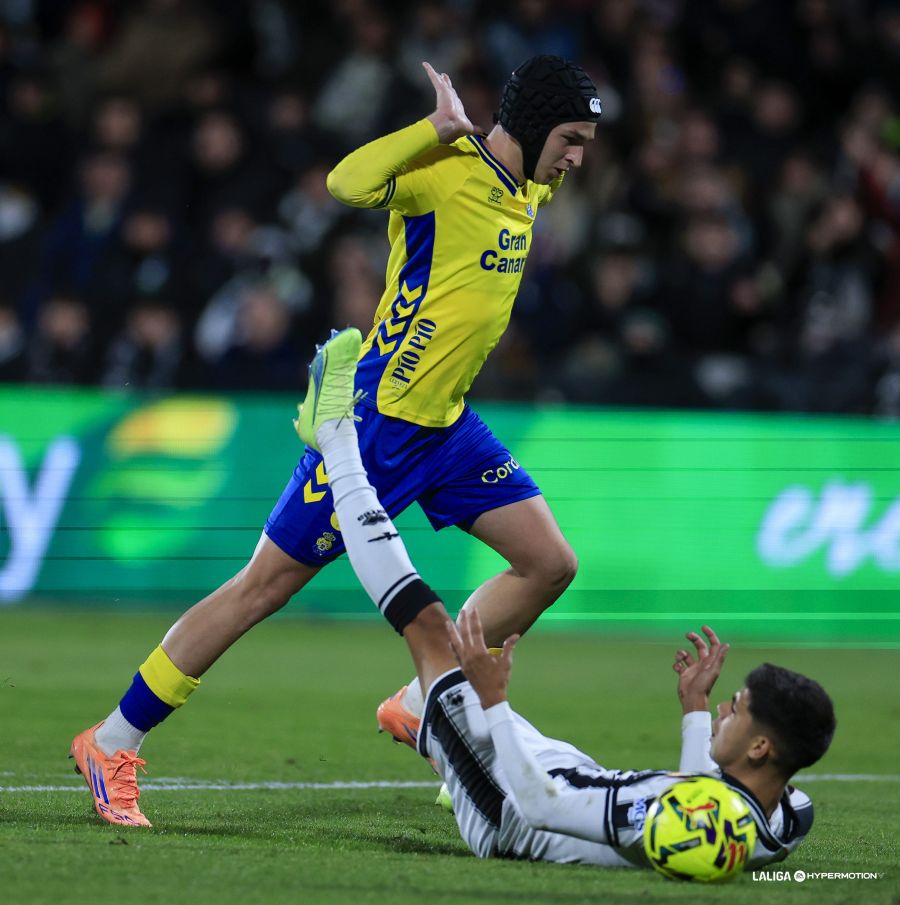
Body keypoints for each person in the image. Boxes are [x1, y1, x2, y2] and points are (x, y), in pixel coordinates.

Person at [68, 56, 603, 827]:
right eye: (572, 138)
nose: (578, 158)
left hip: (449, 426)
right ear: (534, 124)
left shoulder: (532, 188)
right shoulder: (445, 171)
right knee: (261, 587)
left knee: (550, 563)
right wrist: (433, 128)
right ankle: (112, 739)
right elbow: (345, 183)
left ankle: (421, 700)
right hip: (376, 422)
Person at [297, 329, 836, 868]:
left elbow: (540, 805)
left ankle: (335, 435)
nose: (724, 708)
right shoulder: (788, 816)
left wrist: (495, 700)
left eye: (736, 709)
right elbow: (702, 794)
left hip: (506, 810)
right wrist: (694, 710)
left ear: (760, 747)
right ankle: (429, 720)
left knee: (427, 624)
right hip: (575, 781)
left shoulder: (687, 826)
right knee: (536, 744)